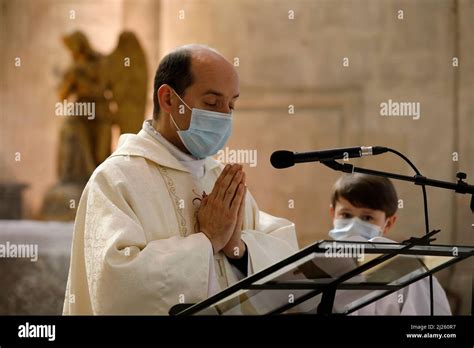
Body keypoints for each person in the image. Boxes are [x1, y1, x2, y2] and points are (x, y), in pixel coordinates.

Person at [63, 44, 298, 315]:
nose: (224, 115)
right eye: (211, 103)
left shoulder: (219, 177)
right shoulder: (116, 179)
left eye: (231, 105)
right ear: (168, 99)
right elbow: (114, 284)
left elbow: (287, 258)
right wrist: (207, 241)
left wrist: (239, 250)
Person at [328, 173, 451, 315]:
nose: (353, 225)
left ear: (388, 223)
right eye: (346, 215)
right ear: (333, 213)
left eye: (367, 217)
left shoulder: (408, 272)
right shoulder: (317, 266)